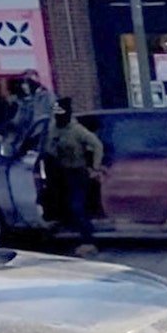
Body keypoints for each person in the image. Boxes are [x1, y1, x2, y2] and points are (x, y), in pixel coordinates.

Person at [44, 98, 104, 258]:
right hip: (60, 172)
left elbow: (97, 145)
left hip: (78, 171)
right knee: (63, 206)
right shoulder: (53, 128)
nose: (57, 117)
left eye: (60, 114)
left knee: (77, 206)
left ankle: (89, 240)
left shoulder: (77, 130)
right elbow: (48, 148)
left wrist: (95, 167)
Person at [6, 70, 55, 148]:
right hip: (28, 141)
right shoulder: (24, 102)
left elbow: (59, 114)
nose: (24, 86)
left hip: (45, 139)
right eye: (23, 83)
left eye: (27, 82)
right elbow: (18, 121)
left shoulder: (48, 97)